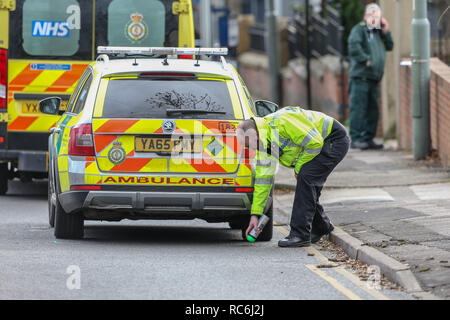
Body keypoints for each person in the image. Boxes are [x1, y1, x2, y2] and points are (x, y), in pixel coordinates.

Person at [236, 107, 350, 247]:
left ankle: (300, 235)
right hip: (320, 144)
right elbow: (263, 181)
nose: (249, 149)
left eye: (248, 145)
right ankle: (322, 226)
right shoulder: (264, 144)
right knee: (308, 184)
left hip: (333, 139)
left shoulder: (282, 122)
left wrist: (298, 168)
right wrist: (255, 215)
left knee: (305, 178)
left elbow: (315, 143)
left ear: (256, 135)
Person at [348, 3, 394, 150]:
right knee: (358, 108)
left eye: (378, 15)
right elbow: (353, 46)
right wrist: (365, 59)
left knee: (373, 110)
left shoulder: (378, 32)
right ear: (366, 16)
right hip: (361, 77)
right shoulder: (359, 29)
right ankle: (355, 139)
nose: (375, 18)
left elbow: (390, 46)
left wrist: (386, 31)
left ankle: (368, 138)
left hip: (374, 78)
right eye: (372, 15)